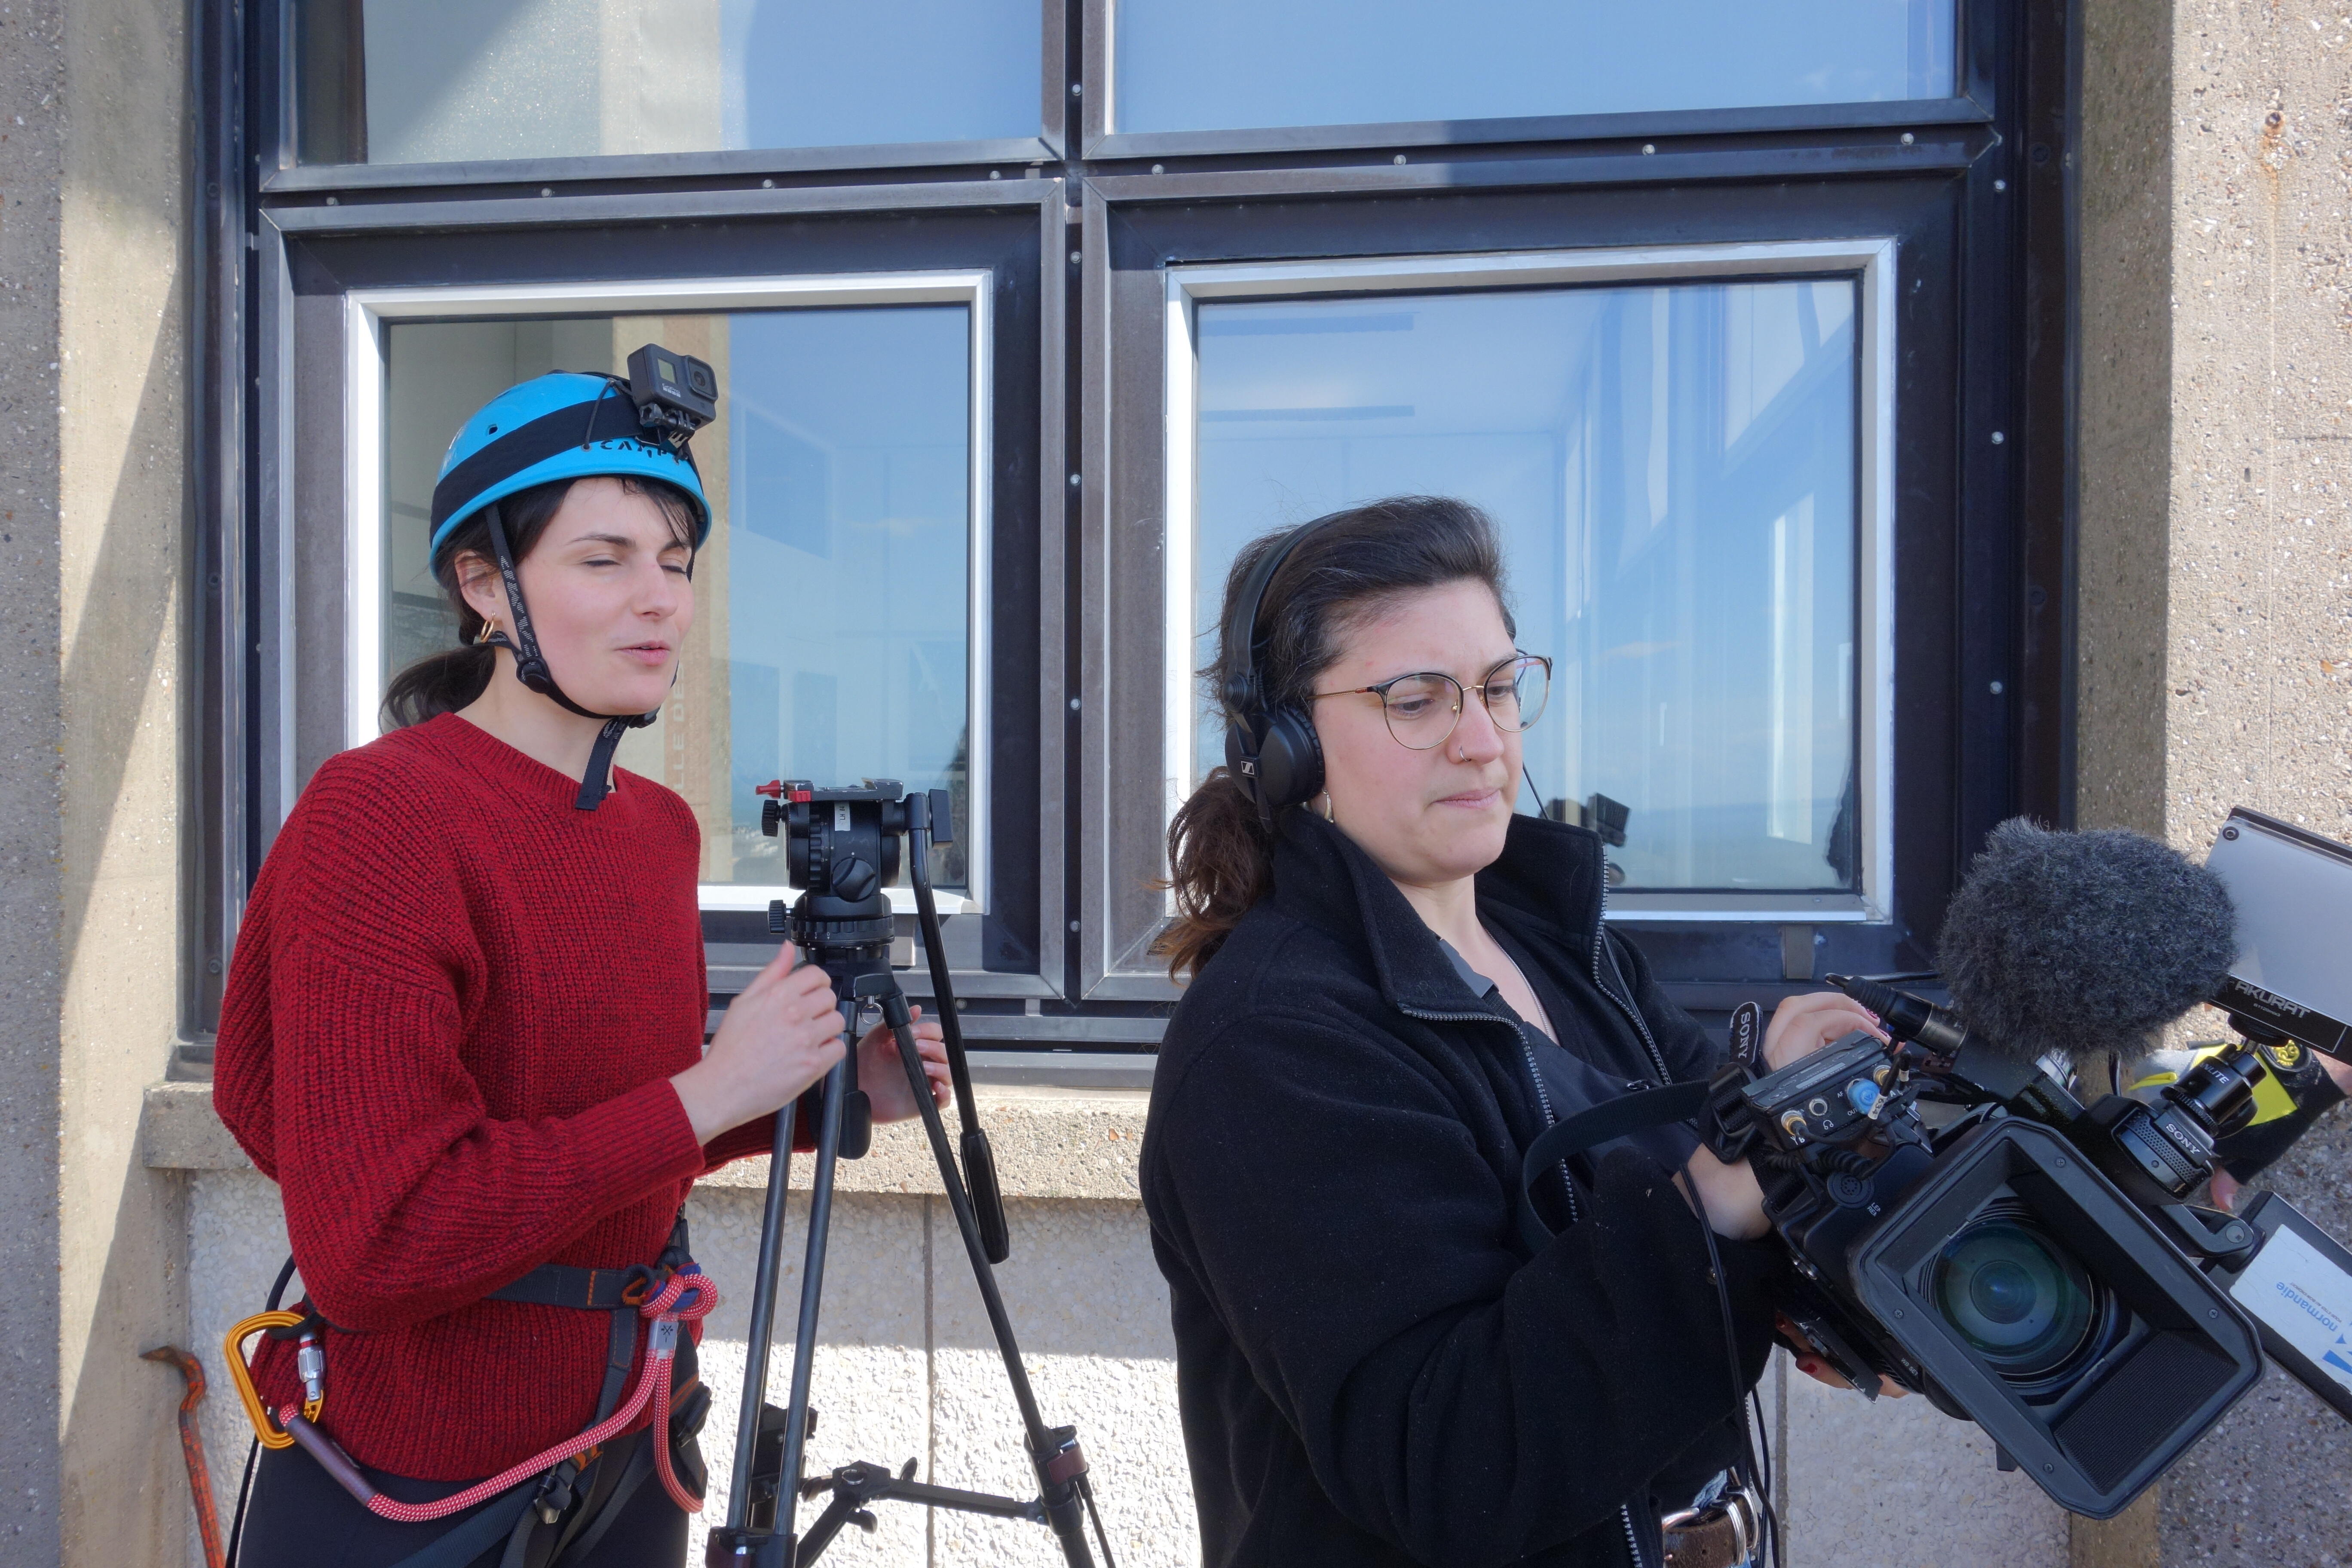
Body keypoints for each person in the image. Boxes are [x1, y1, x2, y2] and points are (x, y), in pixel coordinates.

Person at [214, 364, 951, 1568]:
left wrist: (823, 1098)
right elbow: (374, 1241)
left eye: (676, 561)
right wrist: (709, 1090)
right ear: (483, 585)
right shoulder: (384, 814)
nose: (659, 600)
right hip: (427, 1479)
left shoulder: (655, 828)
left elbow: (610, 1120)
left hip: (635, 1437)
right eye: (603, 560)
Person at [1141, 496, 1885, 1568]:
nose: (1483, 741)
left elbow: (1735, 1206)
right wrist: (1719, 1195)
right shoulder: (1272, 1044)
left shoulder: (1568, 951)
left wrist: (1872, 1258)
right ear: (1288, 747)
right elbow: (1449, 1459)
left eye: (1497, 687)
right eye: (1416, 701)